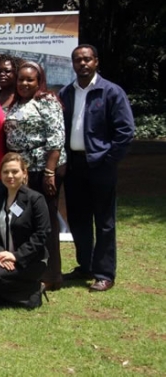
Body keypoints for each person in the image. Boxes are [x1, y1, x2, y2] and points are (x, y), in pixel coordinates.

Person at [59, 44, 135, 292]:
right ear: (72, 64)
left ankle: (104, 273)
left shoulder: (111, 92)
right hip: (74, 165)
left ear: (96, 62)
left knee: (104, 221)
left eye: (87, 59)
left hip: (100, 164)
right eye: (78, 60)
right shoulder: (66, 93)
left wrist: (109, 159)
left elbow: (125, 131)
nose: (82, 63)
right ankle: (85, 266)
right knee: (79, 220)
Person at [4, 62, 66, 290]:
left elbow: (56, 138)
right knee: (26, 222)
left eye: (30, 79)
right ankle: (30, 269)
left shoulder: (47, 101)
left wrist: (49, 172)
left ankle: (51, 276)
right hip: (21, 172)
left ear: (39, 81)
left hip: (43, 170)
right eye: (21, 79)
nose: (24, 84)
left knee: (46, 223)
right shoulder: (15, 102)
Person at [0, 153, 50, 309]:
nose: (10, 176)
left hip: (30, 260)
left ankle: (32, 289)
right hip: (4, 259)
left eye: (15, 171)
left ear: (24, 173)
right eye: (5, 172)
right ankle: (28, 294)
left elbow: (42, 234)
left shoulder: (35, 199)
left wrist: (16, 256)